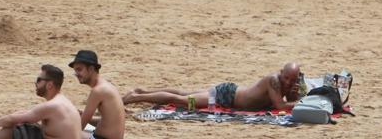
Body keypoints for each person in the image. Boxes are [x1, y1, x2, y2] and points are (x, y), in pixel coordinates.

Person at [123, 63, 304, 112]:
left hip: (228, 92)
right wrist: (300, 102)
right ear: (281, 72)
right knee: (180, 100)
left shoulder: (288, 83)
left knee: (184, 93)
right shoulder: (273, 80)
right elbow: (281, 106)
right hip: (225, 97)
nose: (288, 82)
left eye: (292, 79)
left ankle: (142, 90)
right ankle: (135, 97)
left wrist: (294, 96)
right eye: (286, 78)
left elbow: (285, 103)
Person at [0, 64, 85, 139]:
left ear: (50, 85)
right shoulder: (63, 101)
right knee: (21, 124)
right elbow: (24, 114)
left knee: (12, 130)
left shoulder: (52, 106)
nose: (35, 83)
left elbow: (13, 120)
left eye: (39, 80)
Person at [71, 50, 125, 139]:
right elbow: (108, 120)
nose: (76, 74)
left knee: (60, 132)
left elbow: (80, 125)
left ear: (91, 69)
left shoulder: (98, 91)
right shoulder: (106, 86)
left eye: (79, 70)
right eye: (75, 70)